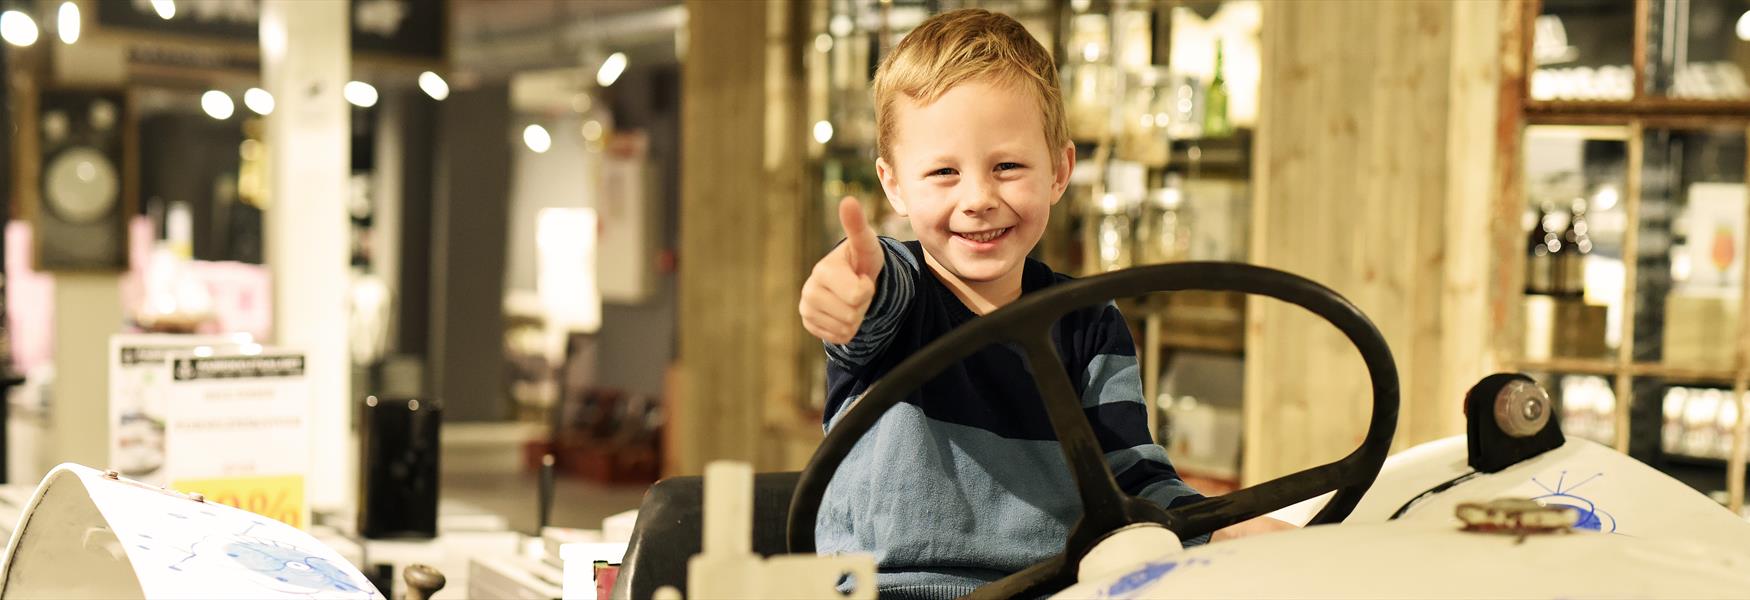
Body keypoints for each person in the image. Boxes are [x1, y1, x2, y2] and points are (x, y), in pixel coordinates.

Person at [796, 8, 1292, 598]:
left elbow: (1134, 483)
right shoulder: (898, 295)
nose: (978, 198)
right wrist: (846, 289)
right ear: (893, 183)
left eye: (1007, 166)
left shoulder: (1089, 324)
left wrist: (1234, 531)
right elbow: (870, 288)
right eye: (943, 172)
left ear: (1059, 170)